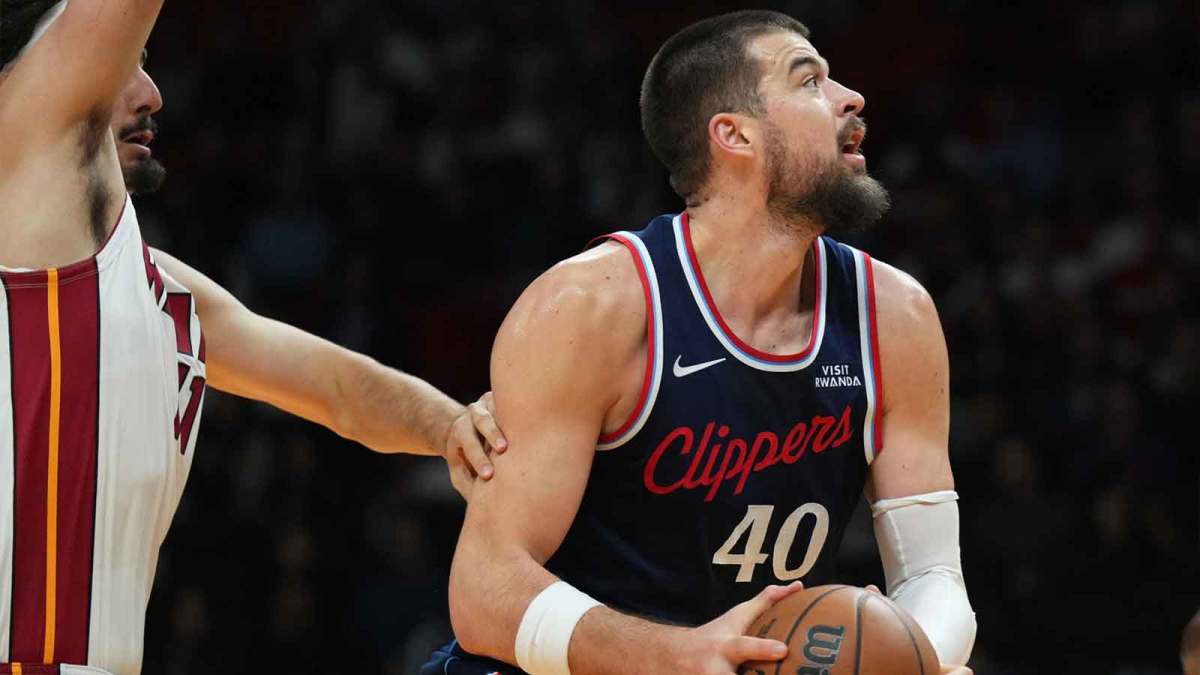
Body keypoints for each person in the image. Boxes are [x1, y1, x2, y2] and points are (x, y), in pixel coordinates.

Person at [425, 10, 976, 675]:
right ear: (734, 134)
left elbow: (933, 573)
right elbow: (485, 591)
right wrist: (677, 655)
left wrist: (916, 654)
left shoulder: (895, 316)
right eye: (809, 82)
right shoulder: (592, 307)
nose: (849, 97)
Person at [0, 4, 497, 675]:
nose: (152, 95)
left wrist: (454, 429)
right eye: (126, 65)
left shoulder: (156, 288)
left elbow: (338, 389)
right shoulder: (27, 164)